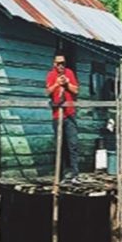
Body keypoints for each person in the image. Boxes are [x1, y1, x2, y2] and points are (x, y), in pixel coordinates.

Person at [45, 54, 80, 182]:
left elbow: (76, 90)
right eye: (58, 63)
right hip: (57, 116)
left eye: (63, 63)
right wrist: (57, 84)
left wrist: (66, 84)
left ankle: (75, 174)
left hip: (69, 114)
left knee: (73, 144)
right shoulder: (51, 75)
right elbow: (47, 92)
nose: (61, 66)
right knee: (60, 145)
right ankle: (60, 175)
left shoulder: (69, 73)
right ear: (54, 64)